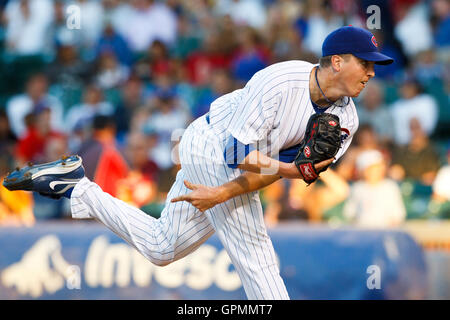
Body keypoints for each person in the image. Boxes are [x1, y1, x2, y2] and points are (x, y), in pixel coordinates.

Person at [3, 26, 393, 300]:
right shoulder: (279, 82)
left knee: (162, 247)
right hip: (210, 143)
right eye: (366, 63)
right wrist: (283, 173)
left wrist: (232, 190)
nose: (373, 72)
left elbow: (270, 174)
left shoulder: (348, 119)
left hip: (240, 165)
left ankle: (77, 187)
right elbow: (236, 156)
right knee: (256, 255)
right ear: (337, 61)